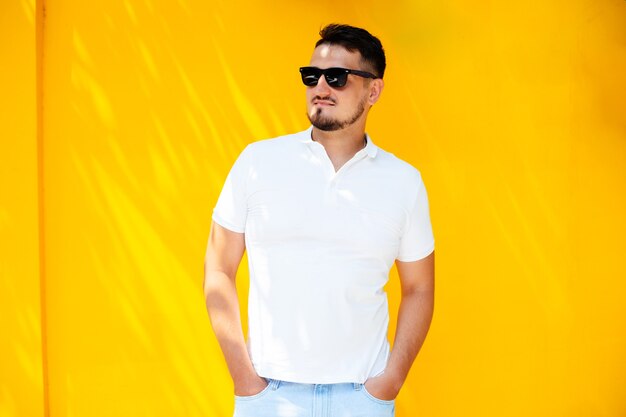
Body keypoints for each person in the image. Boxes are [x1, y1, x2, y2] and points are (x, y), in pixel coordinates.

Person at [204, 23, 435, 417]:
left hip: (361, 398)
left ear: (373, 90)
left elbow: (419, 288)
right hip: (269, 395)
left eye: (337, 77)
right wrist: (245, 380)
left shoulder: (403, 182)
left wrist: (388, 382)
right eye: (311, 76)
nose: (320, 87)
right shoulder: (257, 164)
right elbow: (219, 268)